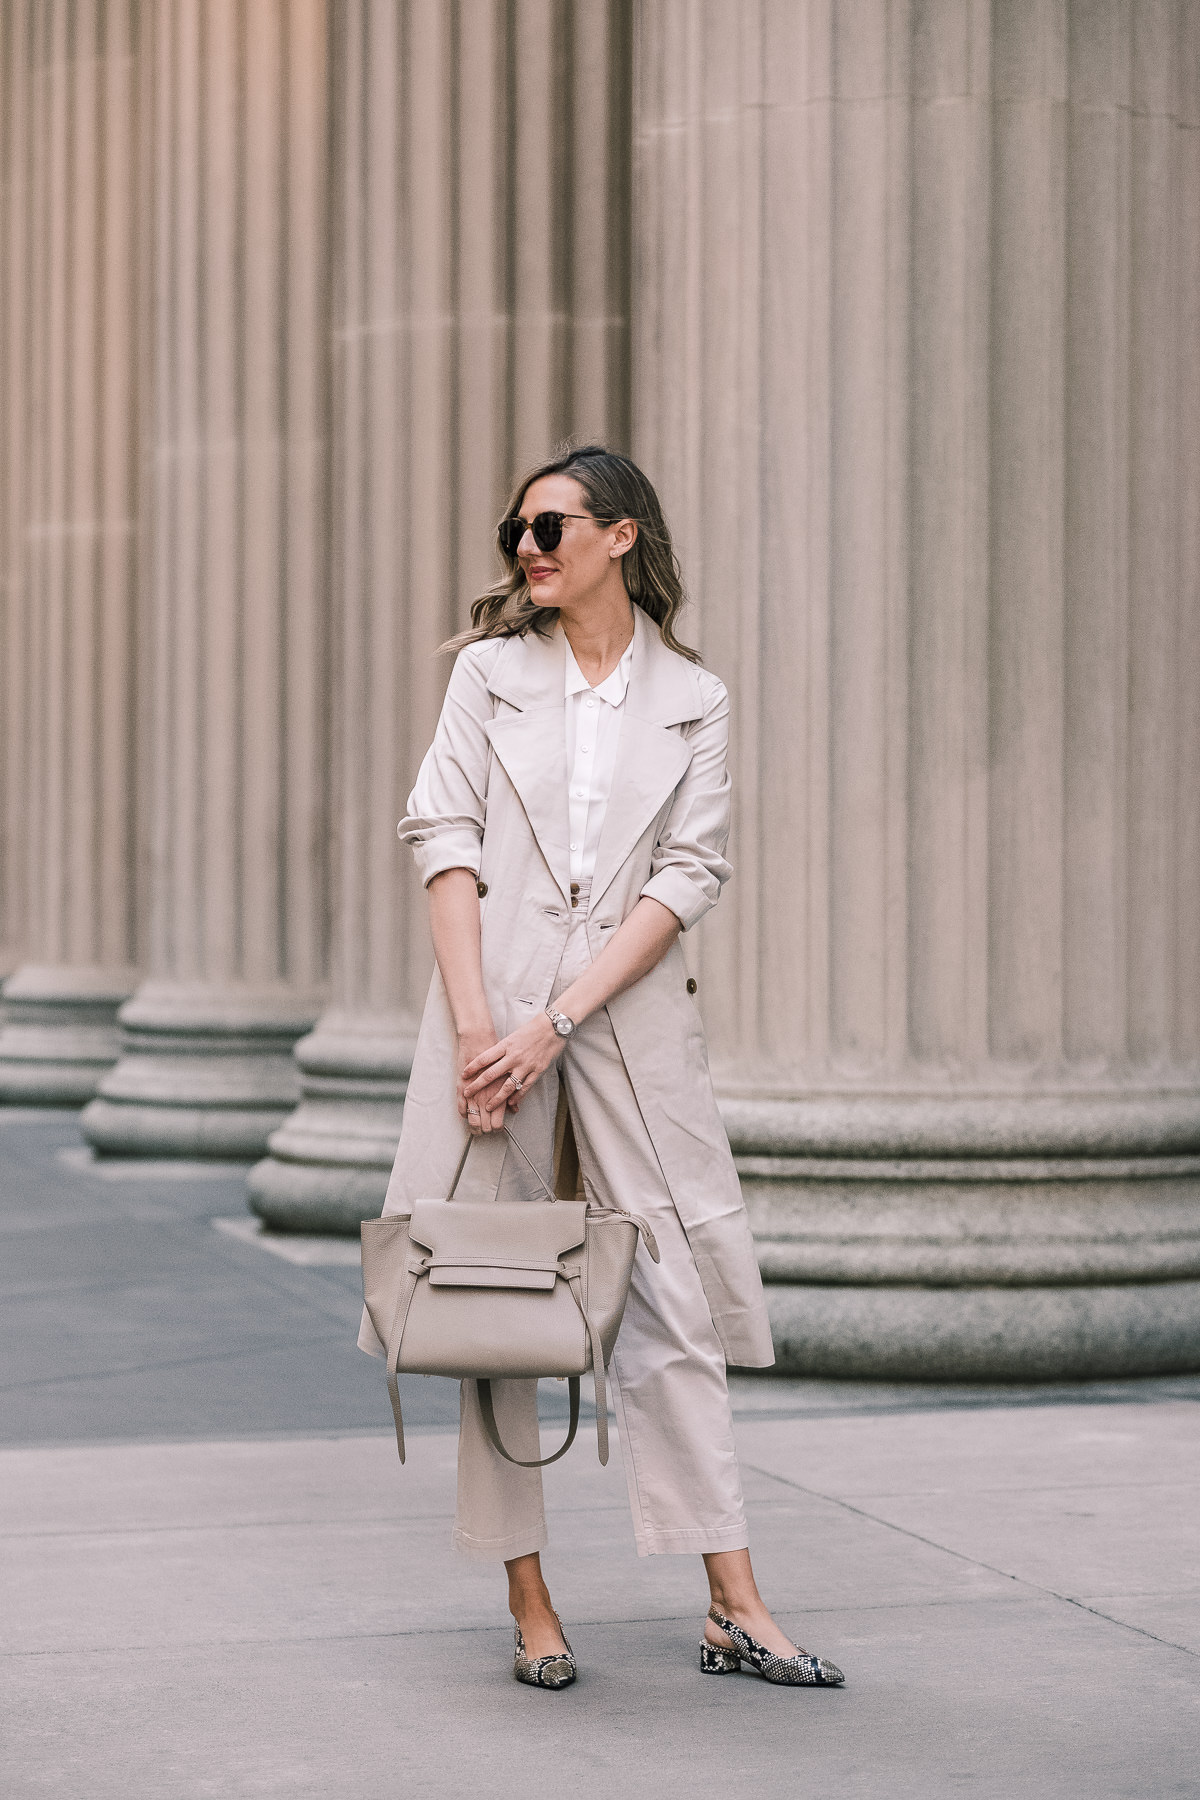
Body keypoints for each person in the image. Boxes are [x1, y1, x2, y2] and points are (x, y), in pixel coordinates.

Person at [358, 444, 843, 1692]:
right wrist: (481, 1029)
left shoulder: (694, 697)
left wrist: (552, 1024)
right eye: (515, 528)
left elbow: (689, 875)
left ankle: (734, 1601)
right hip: (487, 1017)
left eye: (551, 525)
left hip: (615, 1021)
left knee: (673, 1297)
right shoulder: (487, 676)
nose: (527, 546)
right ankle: (530, 1600)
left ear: (620, 536)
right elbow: (442, 836)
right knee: (490, 1297)